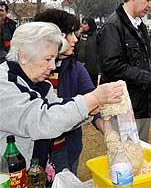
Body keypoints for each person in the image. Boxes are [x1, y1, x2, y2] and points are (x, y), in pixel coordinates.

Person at [0, 22, 124, 169]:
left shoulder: (41, 84)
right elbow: (42, 120)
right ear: (23, 56)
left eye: (55, 59)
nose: (53, 66)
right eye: (48, 59)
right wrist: (93, 99)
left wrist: (88, 111)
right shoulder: (5, 86)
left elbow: (57, 110)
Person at [32, 9, 102, 177]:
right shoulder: (29, 72)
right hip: (33, 154)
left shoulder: (76, 69)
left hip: (65, 149)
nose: (75, 39)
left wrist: (104, 126)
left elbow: (92, 101)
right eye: (69, 33)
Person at [97, 0, 151, 142]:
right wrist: (148, 78)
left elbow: (147, 58)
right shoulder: (113, 26)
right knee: (125, 158)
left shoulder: (139, 25)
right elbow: (111, 66)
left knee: (140, 155)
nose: (150, 5)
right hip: (122, 108)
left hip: (141, 105)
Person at [76, 17, 100, 87]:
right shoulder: (80, 35)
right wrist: (77, 36)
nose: (82, 26)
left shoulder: (97, 36)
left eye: (85, 24)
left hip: (92, 69)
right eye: (82, 23)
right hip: (80, 66)